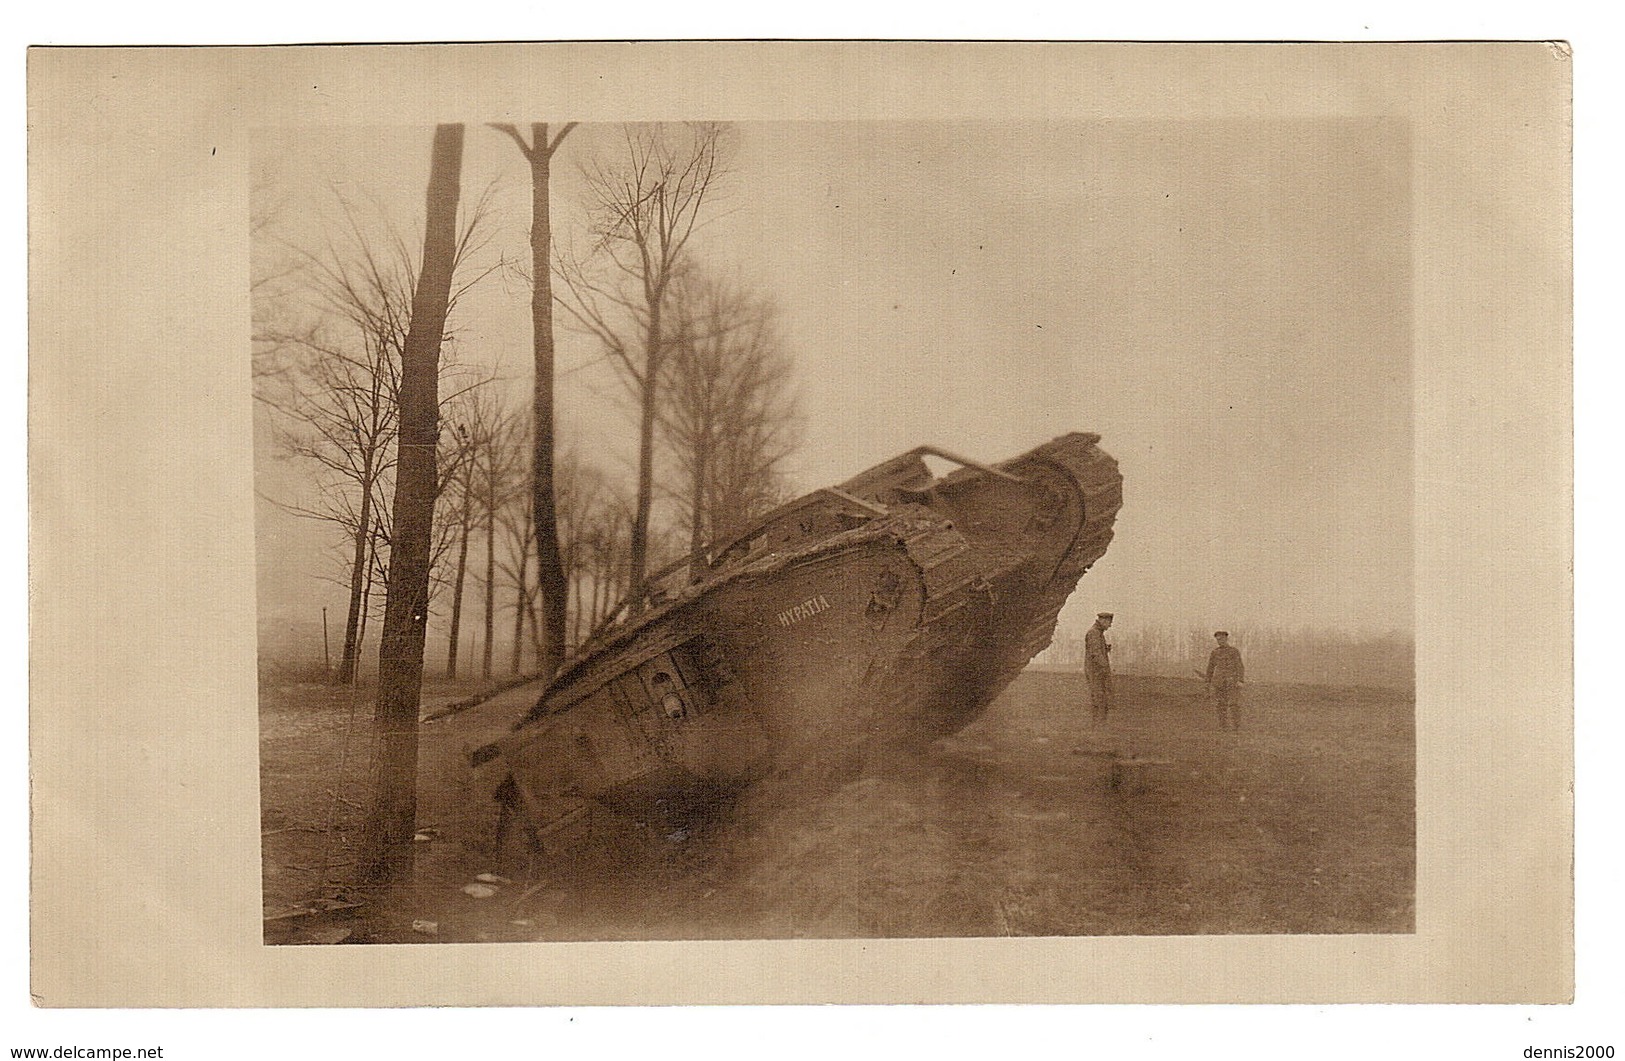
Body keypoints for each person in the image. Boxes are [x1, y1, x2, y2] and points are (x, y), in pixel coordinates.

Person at [1205, 630, 1245, 731]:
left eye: (1222, 639)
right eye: (1218, 639)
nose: (1220, 641)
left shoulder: (1234, 651)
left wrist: (1240, 680)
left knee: (1233, 704)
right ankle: (1223, 727)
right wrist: (1207, 681)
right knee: (1220, 705)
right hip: (1219, 683)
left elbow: (1239, 666)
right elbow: (1210, 667)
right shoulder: (1215, 652)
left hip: (1232, 682)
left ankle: (1236, 727)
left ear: (1226, 639)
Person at [1084, 612, 1115, 725]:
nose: (1110, 625)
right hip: (1096, 672)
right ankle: (1098, 724)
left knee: (1101, 696)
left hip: (1097, 671)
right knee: (1099, 697)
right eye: (1109, 623)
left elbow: (1096, 650)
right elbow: (1095, 653)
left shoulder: (1098, 633)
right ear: (1103, 621)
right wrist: (1105, 666)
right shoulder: (1094, 633)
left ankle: (1099, 723)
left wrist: (1105, 648)